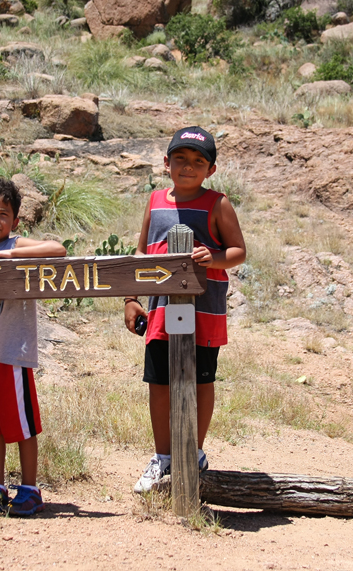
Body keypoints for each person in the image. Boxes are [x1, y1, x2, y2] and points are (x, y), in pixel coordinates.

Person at [124, 126, 247, 493]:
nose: (188, 167)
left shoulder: (217, 203)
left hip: (203, 310)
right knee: (159, 382)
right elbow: (142, 254)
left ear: (210, 169)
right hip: (161, 309)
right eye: (180, 159)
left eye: (198, 161)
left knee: (200, 380)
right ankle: (163, 457)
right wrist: (130, 298)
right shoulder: (155, 201)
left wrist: (213, 258)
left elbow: (238, 251)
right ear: (166, 163)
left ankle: (193, 452)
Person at [0, 177, 66, 515]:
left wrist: (12, 252)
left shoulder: (16, 245)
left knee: (22, 426)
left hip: (10, 354)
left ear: (15, 221)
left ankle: (30, 487)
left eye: (2, 214)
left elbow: (58, 250)